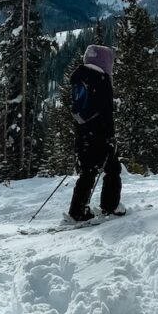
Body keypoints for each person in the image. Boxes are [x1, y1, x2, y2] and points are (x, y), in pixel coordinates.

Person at [67, 44, 124, 222]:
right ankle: (110, 206)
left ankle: (77, 210)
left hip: (82, 133)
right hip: (100, 134)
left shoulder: (80, 78)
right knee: (113, 169)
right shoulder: (101, 80)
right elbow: (106, 112)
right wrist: (110, 138)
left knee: (88, 171)